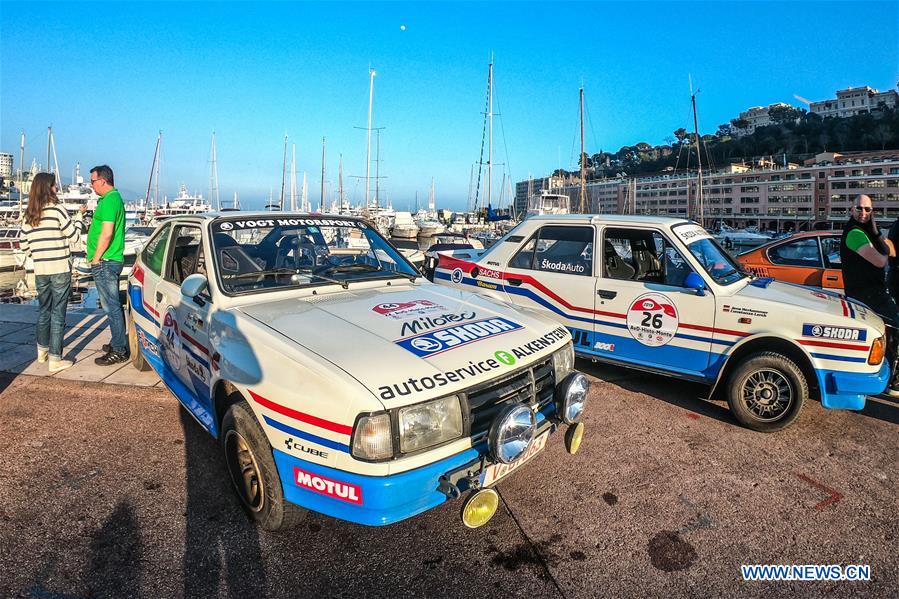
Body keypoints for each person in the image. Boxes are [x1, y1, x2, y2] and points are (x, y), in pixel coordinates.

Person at [20, 172, 85, 373]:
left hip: (41, 270)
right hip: (59, 269)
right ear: (48, 188)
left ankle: (42, 352)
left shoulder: (29, 215)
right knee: (58, 313)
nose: (57, 189)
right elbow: (74, 236)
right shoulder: (57, 210)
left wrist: (38, 252)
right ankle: (55, 359)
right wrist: (80, 218)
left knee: (44, 311)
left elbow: (23, 245)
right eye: (55, 186)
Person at [839, 193, 899, 396]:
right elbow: (881, 261)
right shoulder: (855, 233)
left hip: (873, 292)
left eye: (868, 209)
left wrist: (878, 235)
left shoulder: (866, 230)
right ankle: (894, 382)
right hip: (866, 294)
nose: (863, 213)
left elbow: (891, 251)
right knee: (894, 330)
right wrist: (878, 238)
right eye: (859, 208)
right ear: (851, 209)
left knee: (883, 335)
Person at [87, 165, 129, 365]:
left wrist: (96, 258)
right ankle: (117, 341)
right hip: (106, 260)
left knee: (111, 306)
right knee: (109, 305)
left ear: (103, 180)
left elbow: (107, 232)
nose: (91, 185)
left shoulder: (111, 200)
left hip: (106, 261)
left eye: (93, 181)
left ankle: (119, 349)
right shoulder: (108, 200)